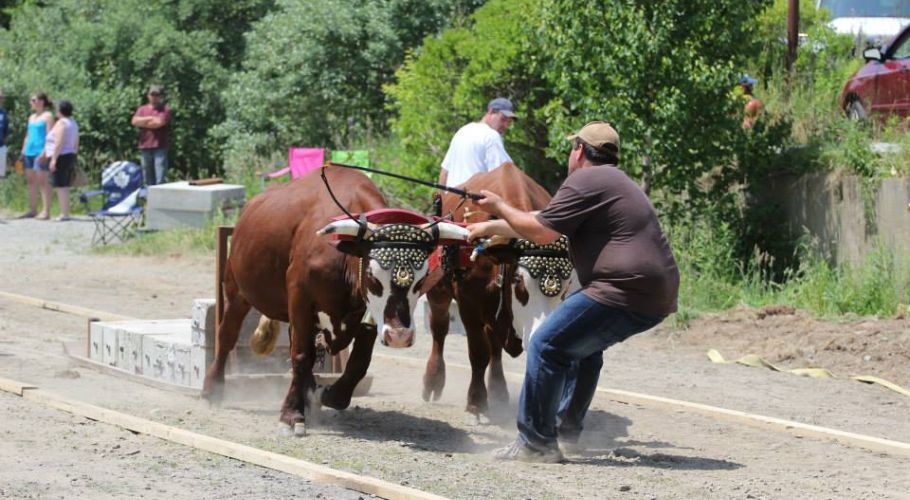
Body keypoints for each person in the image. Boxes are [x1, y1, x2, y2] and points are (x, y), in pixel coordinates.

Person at [467, 121, 680, 463]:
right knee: (582, 351)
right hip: (654, 293)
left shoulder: (585, 179)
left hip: (621, 289)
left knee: (546, 345)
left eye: (572, 148)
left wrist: (499, 205)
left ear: (579, 150)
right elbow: (547, 218)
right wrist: (492, 225)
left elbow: (541, 232)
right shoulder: (612, 181)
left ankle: (536, 444)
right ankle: (566, 432)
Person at [438, 97, 515, 189]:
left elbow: (444, 173)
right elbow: (505, 174)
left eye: (509, 122)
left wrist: (437, 203)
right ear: (491, 112)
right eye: (503, 119)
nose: (506, 125)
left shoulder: (463, 131)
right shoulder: (491, 136)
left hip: (450, 198)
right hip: (472, 199)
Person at [19, 92, 54, 219]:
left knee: (43, 181)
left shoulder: (48, 116)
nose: (31, 102)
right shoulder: (31, 117)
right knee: (31, 181)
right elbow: (28, 135)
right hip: (29, 151)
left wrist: (45, 151)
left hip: (41, 151)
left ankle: (46, 211)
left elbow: (50, 135)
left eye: (33, 100)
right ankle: (33, 209)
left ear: (41, 101)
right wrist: (23, 150)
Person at [44, 100, 79, 221]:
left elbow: (59, 142)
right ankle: (65, 212)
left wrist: (54, 159)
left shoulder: (61, 123)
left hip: (61, 155)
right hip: (69, 154)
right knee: (65, 184)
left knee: (60, 185)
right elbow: (76, 141)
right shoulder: (73, 122)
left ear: (60, 111)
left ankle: (64, 214)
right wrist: (74, 153)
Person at [131, 84, 171, 185]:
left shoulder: (164, 109)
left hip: (160, 146)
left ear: (160, 96)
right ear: (148, 96)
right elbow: (134, 121)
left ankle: (161, 199)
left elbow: (158, 123)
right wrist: (150, 118)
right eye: (152, 94)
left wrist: (143, 123)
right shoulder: (142, 109)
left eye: (157, 95)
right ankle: (148, 199)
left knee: (160, 177)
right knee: (147, 177)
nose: (154, 97)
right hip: (145, 146)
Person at [0, 90, 9, 178]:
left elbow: (6, 130)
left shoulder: (3, 112)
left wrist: (4, 145)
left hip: (1, 146)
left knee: (1, 175)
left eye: (1, 98)